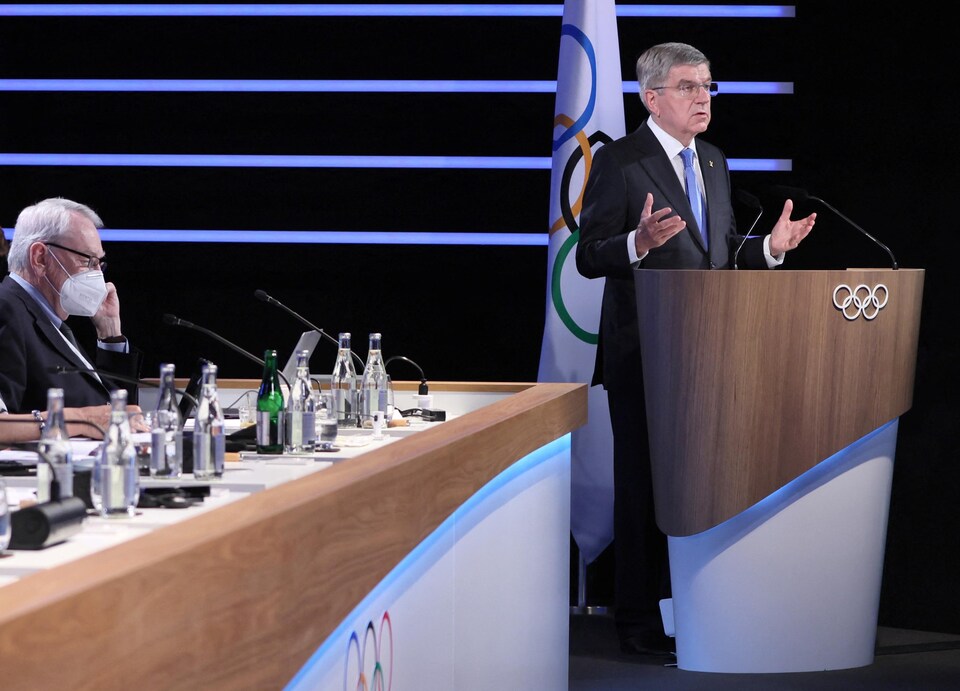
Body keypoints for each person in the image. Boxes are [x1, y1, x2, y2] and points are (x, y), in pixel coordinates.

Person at [575, 42, 816, 656]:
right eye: (688, 87)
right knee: (643, 489)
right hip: (645, 356)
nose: (703, 98)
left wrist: (770, 249)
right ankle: (636, 624)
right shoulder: (620, 161)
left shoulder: (712, 160)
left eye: (708, 86)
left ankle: (694, 610)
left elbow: (721, 253)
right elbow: (588, 256)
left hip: (709, 355)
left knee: (700, 488)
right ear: (651, 98)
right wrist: (636, 242)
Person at [0, 197, 146, 427]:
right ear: (40, 258)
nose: (98, 274)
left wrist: (110, 333)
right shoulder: (5, 309)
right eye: (88, 261)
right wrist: (84, 420)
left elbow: (114, 412)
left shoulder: (46, 317)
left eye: (99, 263)